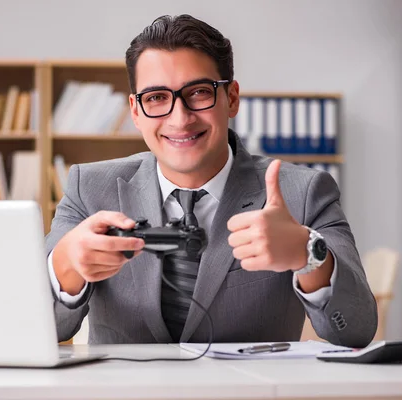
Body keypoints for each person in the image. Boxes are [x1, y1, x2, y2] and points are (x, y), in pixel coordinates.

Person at [44, 14, 377, 348]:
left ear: (231, 98)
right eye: (157, 97)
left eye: (199, 92)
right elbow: (37, 328)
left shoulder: (303, 193)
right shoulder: (87, 188)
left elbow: (357, 329)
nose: (180, 118)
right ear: (135, 111)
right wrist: (67, 264)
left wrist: (307, 254)